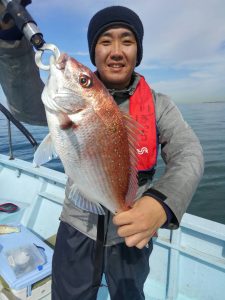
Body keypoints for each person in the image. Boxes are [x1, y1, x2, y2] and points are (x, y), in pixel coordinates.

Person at [0, 3, 204, 300]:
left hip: (131, 230)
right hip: (77, 225)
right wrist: (9, 39)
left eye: (128, 41)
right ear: (94, 52)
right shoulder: (69, 100)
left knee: (129, 295)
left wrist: (162, 204)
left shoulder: (160, 105)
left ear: (138, 51)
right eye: (105, 41)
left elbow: (190, 154)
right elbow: (25, 106)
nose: (117, 51)